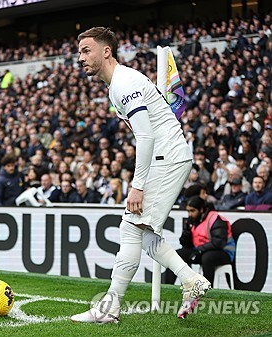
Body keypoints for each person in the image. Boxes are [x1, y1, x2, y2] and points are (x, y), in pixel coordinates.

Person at [71, 27, 210, 324]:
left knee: (131, 229)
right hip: (171, 156)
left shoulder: (124, 82)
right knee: (144, 235)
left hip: (167, 157)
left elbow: (145, 137)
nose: (80, 57)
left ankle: (110, 308)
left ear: (106, 51)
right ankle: (190, 280)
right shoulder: (117, 84)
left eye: (86, 50)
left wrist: (138, 186)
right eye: (79, 51)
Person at [164, 196, 235, 286]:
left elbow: (219, 242)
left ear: (201, 210)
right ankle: (167, 287)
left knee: (207, 258)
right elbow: (187, 245)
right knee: (176, 255)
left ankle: (206, 289)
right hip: (202, 250)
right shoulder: (193, 221)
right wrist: (186, 233)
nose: (189, 214)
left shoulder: (215, 219)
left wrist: (199, 250)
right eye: (188, 211)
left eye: (192, 211)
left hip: (224, 252)